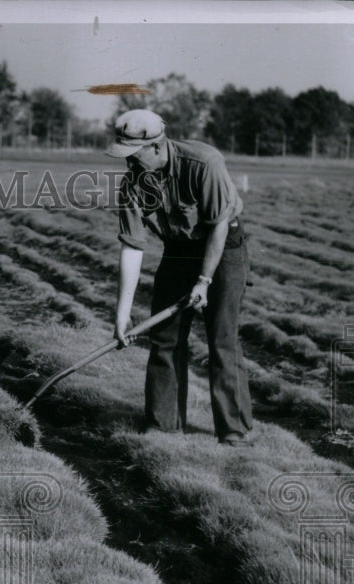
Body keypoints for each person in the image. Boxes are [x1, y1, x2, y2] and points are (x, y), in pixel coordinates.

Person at [107, 108, 254, 447]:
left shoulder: (205, 162)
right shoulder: (133, 184)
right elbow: (132, 247)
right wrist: (122, 314)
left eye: (134, 155)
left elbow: (218, 225)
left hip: (224, 245)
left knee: (222, 338)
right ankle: (163, 425)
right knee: (165, 338)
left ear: (156, 147)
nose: (127, 163)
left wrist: (203, 282)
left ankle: (233, 430)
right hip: (178, 250)